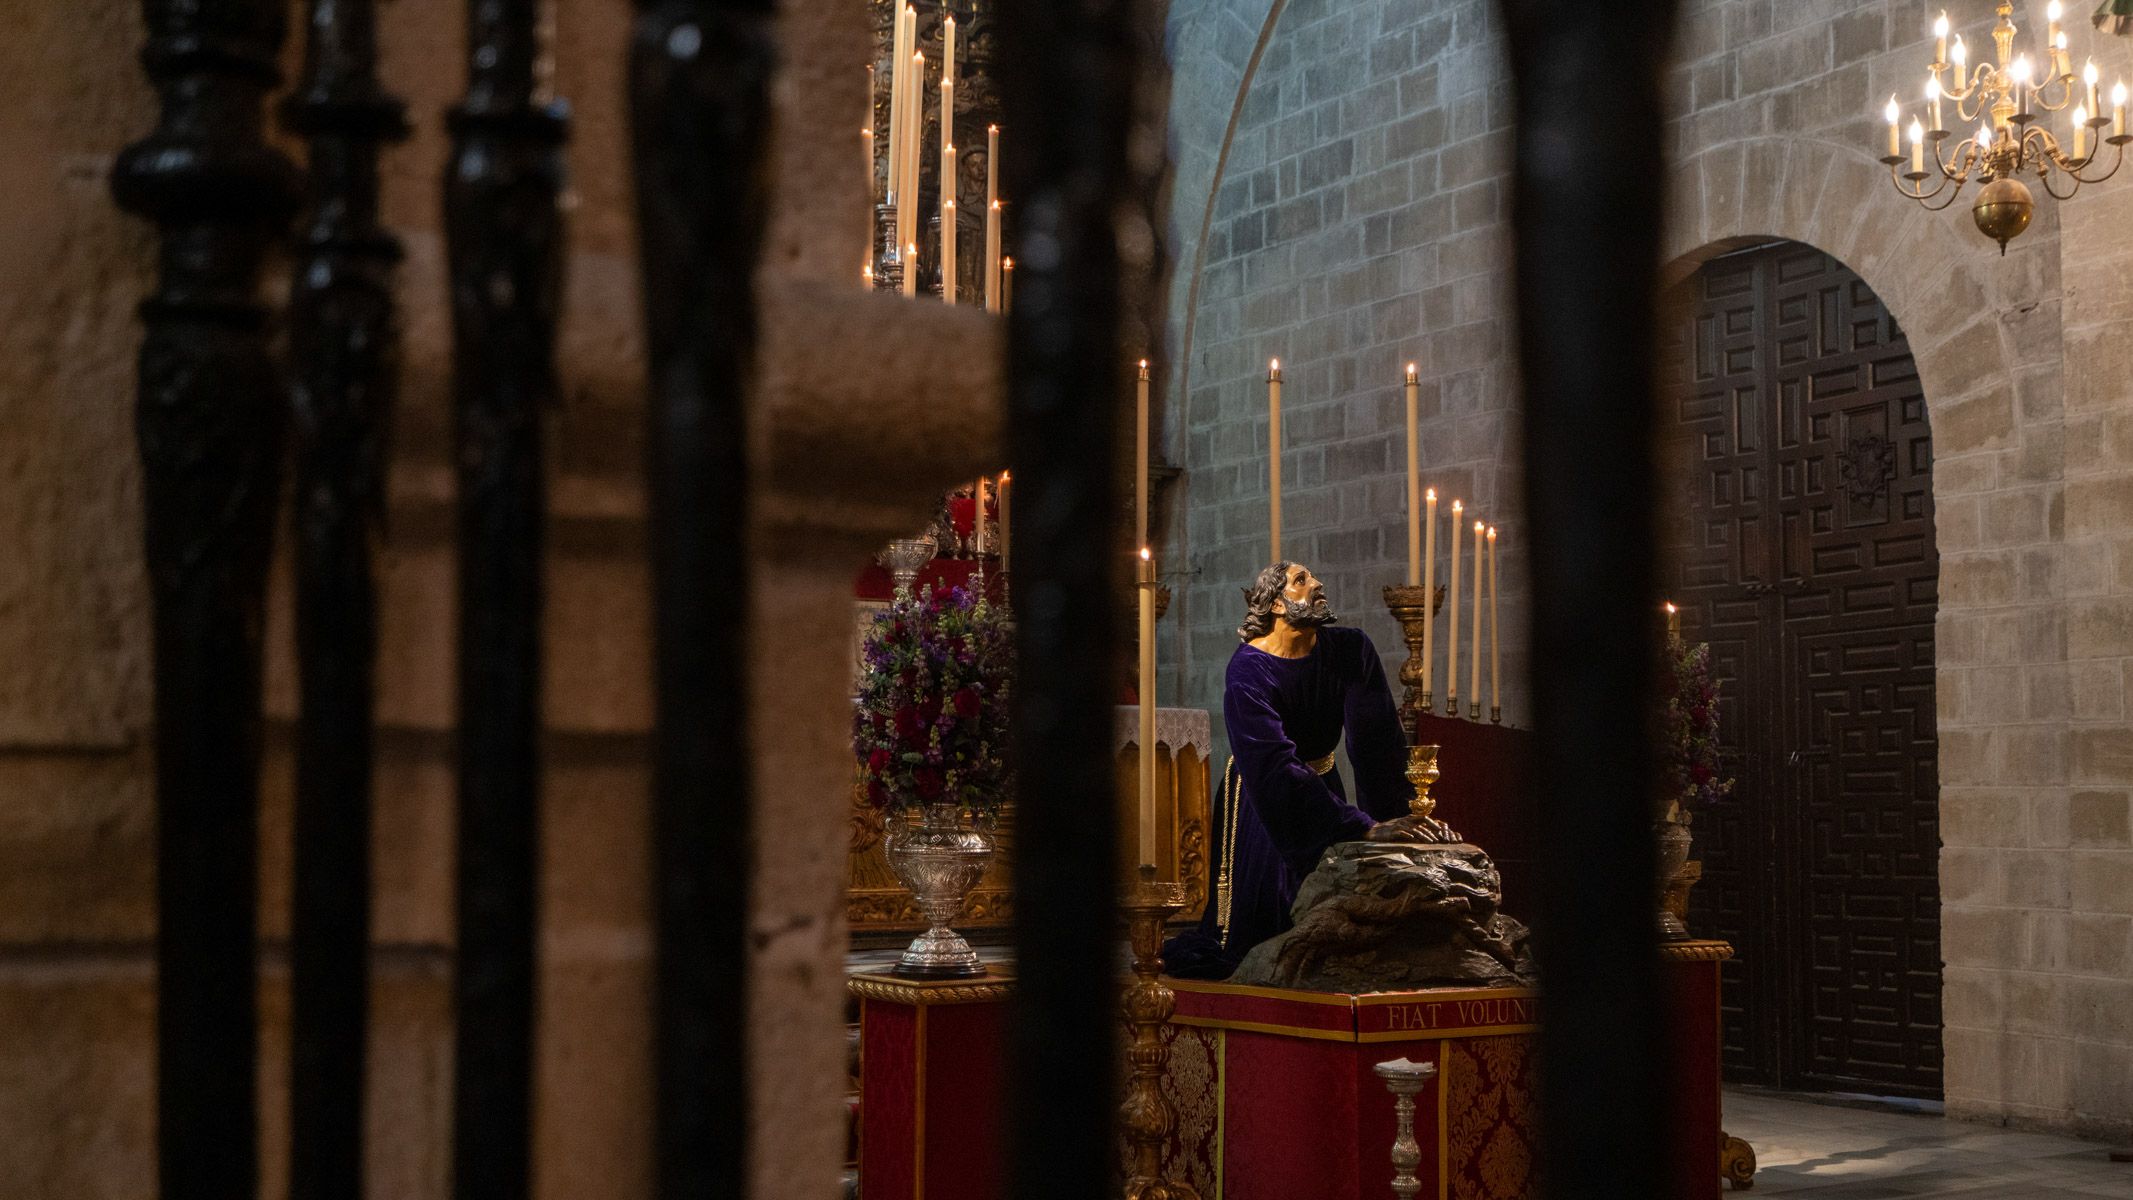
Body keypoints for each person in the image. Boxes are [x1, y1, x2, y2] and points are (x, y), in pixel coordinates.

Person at [1164, 561, 1453, 979]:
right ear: (1277, 605)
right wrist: (1358, 826)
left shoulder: (1350, 649)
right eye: (1301, 580)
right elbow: (1275, 767)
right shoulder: (1248, 669)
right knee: (1270, 932)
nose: (1317, 583)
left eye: (1314, 577)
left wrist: (1395, 825)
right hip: (1262, 801)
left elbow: (1377, 747)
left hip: (1323, 785)